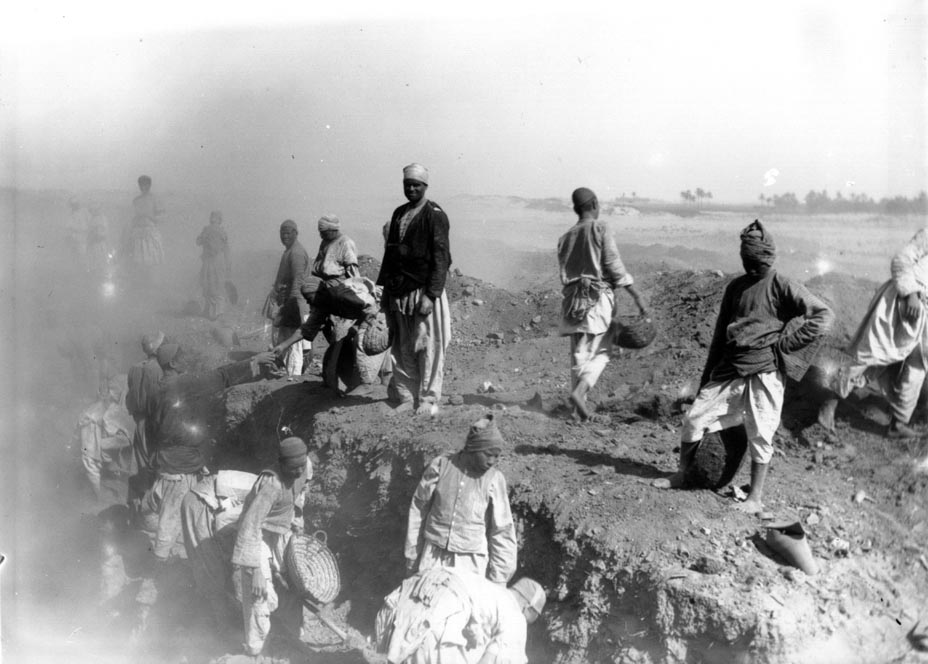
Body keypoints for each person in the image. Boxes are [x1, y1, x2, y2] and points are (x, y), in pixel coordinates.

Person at [653, 220, 834, 514]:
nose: (750, 265)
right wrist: (707, 377)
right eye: (747, 259)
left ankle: (755, 497)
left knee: (761, 432)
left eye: (755, 261)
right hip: (731, 367)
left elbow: (823, 316)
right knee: (694, 419)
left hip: (765, 371)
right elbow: (718, 336)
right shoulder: (736, 287)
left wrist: (787, 345)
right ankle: (682, 474)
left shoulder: (782, 285)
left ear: (767, 259)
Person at [139, 344, 276, 561]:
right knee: (171, 518)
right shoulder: (184, 383)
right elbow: (220, 376)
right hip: (181, 467)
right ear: (172, 363)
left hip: (166, 461)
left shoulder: (158, 388)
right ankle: (159, 567)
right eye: (181, 355)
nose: (186, 357)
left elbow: (152, 429)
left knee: (164, 510)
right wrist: (255, 362)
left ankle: (160, 550)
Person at [818, 227, 928, 439]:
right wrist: (911, 294)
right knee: (868, 354)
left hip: (925, 317)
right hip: (902, 304)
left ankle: (898, 424)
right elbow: (900, 260)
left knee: (917, 368)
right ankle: (829, 402)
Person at [557, 187, 649, 420]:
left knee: (579, 353)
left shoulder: (565, 237)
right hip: (595, 300)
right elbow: (613, 264)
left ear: (576, 209)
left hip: (572, 302)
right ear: (595, 204)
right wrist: (635, 295)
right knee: (602, 351)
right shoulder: (600, 228)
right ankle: (579, 394)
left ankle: (577, 411)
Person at [377, 163, 452, 415]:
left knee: (429, 346)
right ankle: (406, 396)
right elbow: (390, 255)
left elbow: (441, 258)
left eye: (416, 185)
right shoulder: (399, 213)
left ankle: (428, 399)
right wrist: (386, 291)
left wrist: (431, 295)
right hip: (400, 291)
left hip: (423, 291)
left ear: (425, 186)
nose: (411, 189)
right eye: (407, 185)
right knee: (402, 346)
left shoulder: (435, 214)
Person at [405, 414, 517, 584]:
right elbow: (419, 509)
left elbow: (502, 529)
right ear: (473, 449)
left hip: (469, 562)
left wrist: (499, 579)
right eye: (488, 454)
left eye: (497, 456)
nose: (492, 461)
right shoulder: (441, 466)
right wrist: (412, 555)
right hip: (433, 556)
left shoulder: (494, 479)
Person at [231, 437, 312, 657]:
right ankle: (257, 648)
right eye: (293, 468)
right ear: (281, 463)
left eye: (301, 466)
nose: (298, 471)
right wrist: (255, 570)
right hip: (259, 535)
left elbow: (300, 492)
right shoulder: (271, 485)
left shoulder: (304, 467)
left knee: (294, 583)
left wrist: (297, 524)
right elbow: (251, 526)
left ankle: (291, 635)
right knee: (259, 592)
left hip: (282, 531)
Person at [374, 567, 545, 664]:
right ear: (527, 608)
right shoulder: (516, 616)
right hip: (440, 617)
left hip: (404, 598)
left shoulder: (486, 589)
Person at [180, 469, 259, 632]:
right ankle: (222, 625)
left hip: (211, 500)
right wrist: (229, 555)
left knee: (216, 565)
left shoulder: (269, 487)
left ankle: (218, 609)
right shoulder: (262, 499)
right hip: (200, 503)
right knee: (210, 564)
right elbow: (222, 521)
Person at [75, 373, 135, 501]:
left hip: (101, 445)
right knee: (91, 462)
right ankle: (99, 496)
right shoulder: (102, 412)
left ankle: (101, 493)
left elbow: (126, 439)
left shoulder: (116, 411)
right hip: (91, 440)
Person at [265, 219, 311, 376]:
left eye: (288, 233)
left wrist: (290, 307)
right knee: (286, 340)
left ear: (296, 233)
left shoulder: (296, 253)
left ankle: (294, 376)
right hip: (289, 303)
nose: (284, 236)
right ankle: (288, 372)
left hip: (294, 304)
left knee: (293, 343)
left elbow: (298, 282)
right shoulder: (290, 251)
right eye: (282, 233)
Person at [126, 332, 164, 475]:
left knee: (140, 466)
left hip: (140, 423)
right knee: (155, 467)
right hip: (155, 424)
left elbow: (129, 400)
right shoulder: (160, 369)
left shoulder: (134, 368)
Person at [123, 175, 165, 287]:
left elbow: (161, 216)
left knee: (151, 261)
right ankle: (140, 285)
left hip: (150, 233)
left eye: (145, 185)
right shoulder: (136, 201)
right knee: (138, 261)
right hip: (137, 234)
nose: (143, 187)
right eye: (141, 185)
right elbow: (132, 217)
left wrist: (151, 217)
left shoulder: (155, 199)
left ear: (149, 185)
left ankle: (153, 285)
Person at [196, 210, 232, 320]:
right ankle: (212, 311)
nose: (212, 219)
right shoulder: (221, 231)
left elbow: (198, 242)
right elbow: (226, 249)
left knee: (210, 284)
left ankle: (216, 312)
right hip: (214, 261)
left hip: (212, 261)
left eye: (213, 217)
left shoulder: (208, 230)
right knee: (213, 284)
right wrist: (228, 263)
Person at [65, 196, 90, 270]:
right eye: (72, 204)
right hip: (74, 238)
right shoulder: (71, 214)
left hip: (84, 237)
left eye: (75, 204)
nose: (74, 206)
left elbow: (89, 222)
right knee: (75, 255)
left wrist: (87, 232)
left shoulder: (84, 211)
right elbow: (68, 226)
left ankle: (85, 270)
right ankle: (76, 270)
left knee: (83, 255)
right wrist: (69, 235)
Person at [86, 202, 110, 276]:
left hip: (99, 244)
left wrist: (95, 235)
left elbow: (101, 232)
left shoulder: (101, 218)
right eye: (91, 210)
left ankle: (101, 275)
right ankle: (95, 274)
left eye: (93, 210)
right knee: (93, 262)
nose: (92, 212)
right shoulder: (93, 219)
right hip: (93, 244)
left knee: (101, 261)